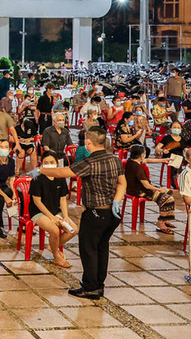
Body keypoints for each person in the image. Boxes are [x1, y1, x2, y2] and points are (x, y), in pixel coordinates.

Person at [38, 128, 126, 299]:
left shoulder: (90, 162)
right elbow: (122, 183)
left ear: (88, 142)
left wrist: (41, 170)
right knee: (102, 248)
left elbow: (63, 172)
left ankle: (90, 287)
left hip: (95, 213)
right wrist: (117, 200)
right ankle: (99, 284)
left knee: (89, 250)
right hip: (112, 214)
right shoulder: (115, 160)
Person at [28, 154, 76, 268]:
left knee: (73, 230)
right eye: (46, 162)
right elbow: (37, 201)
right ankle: (56, 255)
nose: (49, 165)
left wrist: (65, 216)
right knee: (54, 230)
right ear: (42, 163)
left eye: (51, 162)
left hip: (55, 210)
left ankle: (53, 246)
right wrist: (51, 217)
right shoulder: (37, 178)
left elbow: (63, 199)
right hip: (38, 211)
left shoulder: (60, 178)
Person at [124, 145, 176, 235]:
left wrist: (163, 160)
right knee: (167, 198)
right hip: (140, 191)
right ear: (142, 155)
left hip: (134, 188)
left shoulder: (131, 161)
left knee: (169, 193)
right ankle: (161, 222)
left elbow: (147, 160)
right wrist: (159, 189)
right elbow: (147, 186)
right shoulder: (138, 168)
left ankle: (165, 218)